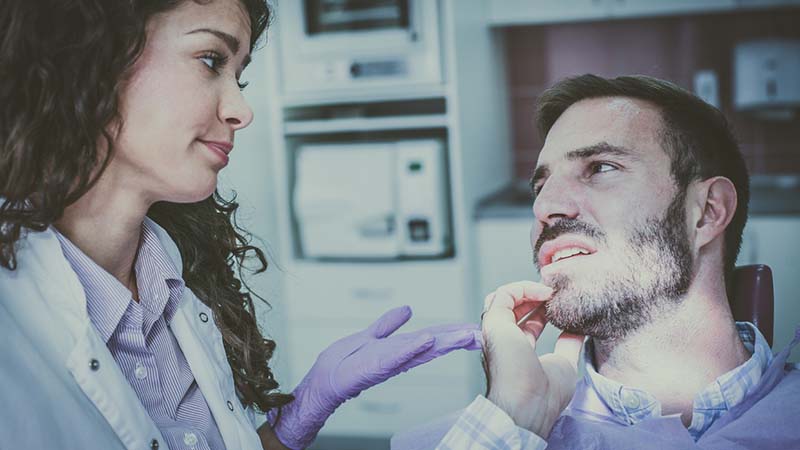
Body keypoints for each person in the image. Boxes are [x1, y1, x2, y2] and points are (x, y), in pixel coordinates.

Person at [0, 1, 480, 449]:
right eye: (211, 60)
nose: (241, 111)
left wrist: (298, 416)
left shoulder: (175, 279)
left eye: (239, 77)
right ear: (91, 56)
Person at [431, 74, 800, 449]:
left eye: (601, 167)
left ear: (705, 212)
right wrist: (515, 418)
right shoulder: (497, 432)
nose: (544, 207)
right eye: (540, 188)